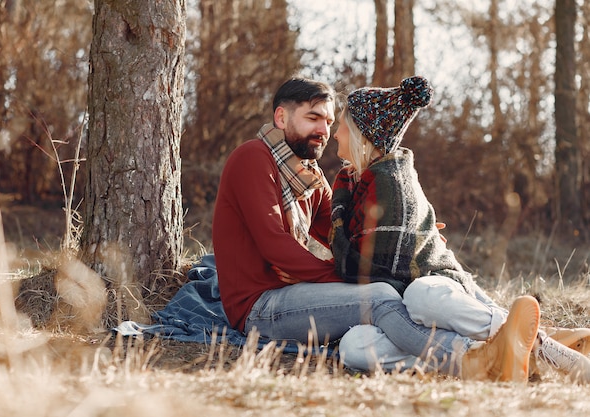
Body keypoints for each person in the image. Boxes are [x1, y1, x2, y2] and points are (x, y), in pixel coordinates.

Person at [212, 75, 541, 382]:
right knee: (382, 296)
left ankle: (524, 340)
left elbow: (344, 230)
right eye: (313, 118)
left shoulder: (308, 175)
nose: (325, 130)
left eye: (329, 121)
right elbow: (276, 246)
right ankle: (475, 360)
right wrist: (345, 274)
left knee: (408, 283)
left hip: (295, 294)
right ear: (281, 118)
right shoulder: (252, 158)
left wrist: (409, 235)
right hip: (260, 307)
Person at [330, 75, 590, 383]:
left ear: (363, 134)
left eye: (343, 124)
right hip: (398, 309)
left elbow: (377, 266)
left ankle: (546, 350)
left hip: (435, 288)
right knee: (354, 346)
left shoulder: (391, 184)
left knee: (420, 295)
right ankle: (489, 355)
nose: (335, 133)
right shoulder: (353, 183)